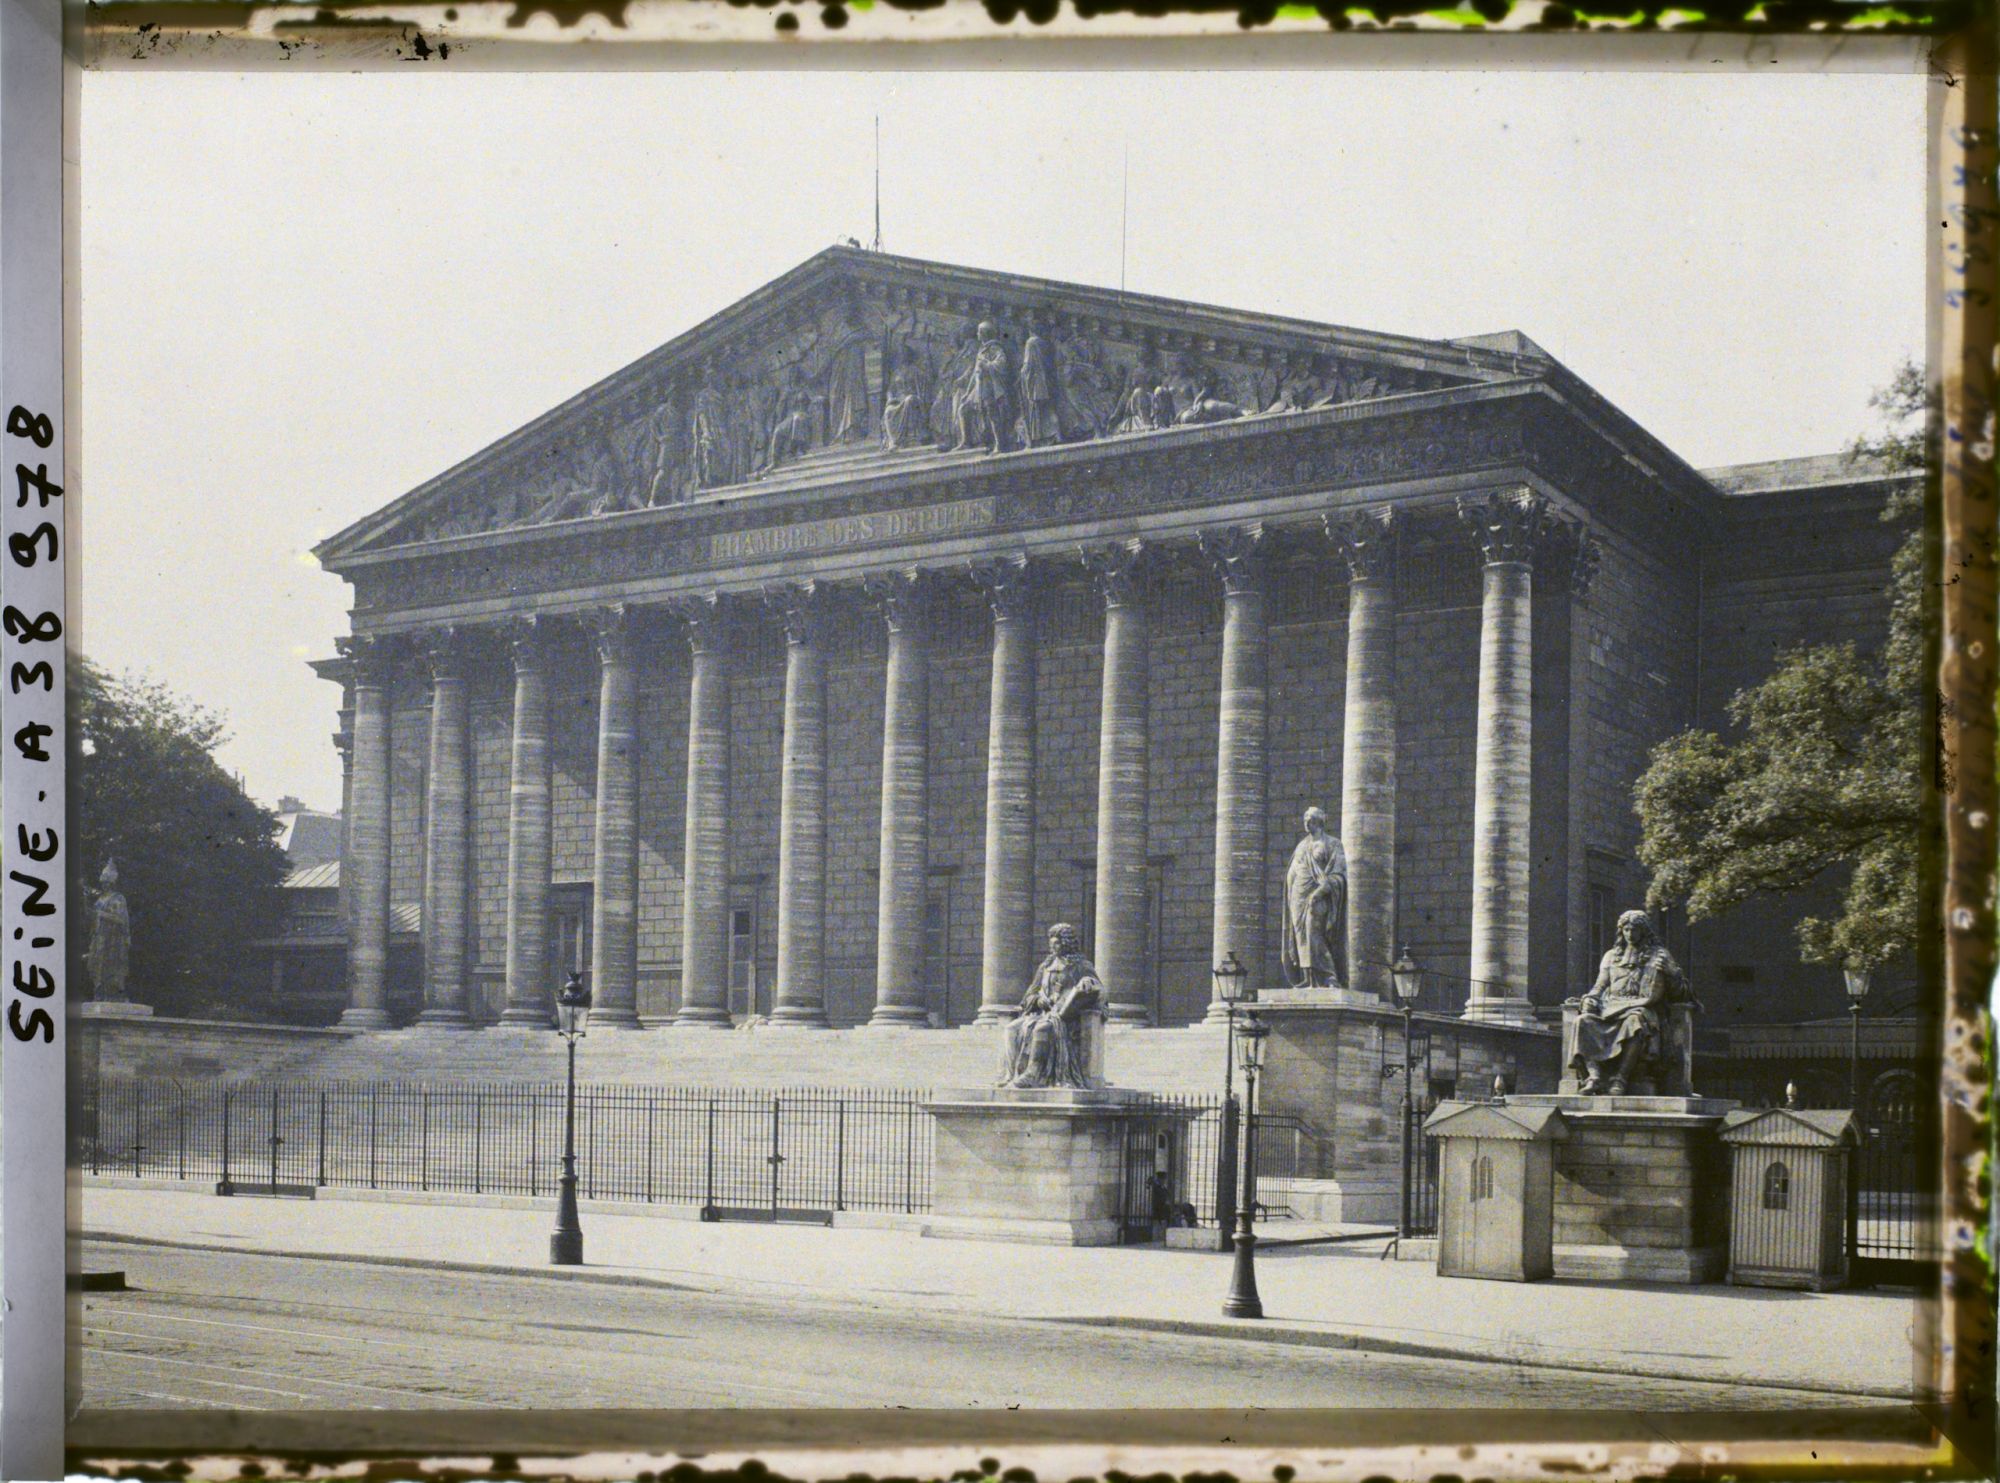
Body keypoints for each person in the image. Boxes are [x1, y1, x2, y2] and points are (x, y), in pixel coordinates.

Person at [1567, 910, 1688, 1095]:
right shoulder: (1611, 956)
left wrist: (1672, 973)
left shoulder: (1659, 955)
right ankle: (1594, 1077)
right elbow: (1600, 986)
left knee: (1635, 1022)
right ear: (1621, 931)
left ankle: (1620, 1079)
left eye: (1635, 930)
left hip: (1642, 1008)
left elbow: (1679, 993)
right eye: (1626, 929)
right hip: (1610, 1009)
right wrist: (1591, 998)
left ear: (1644, 931)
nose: (1630, 934)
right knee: (1582, 1021)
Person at [1002, 922, 1104, 1089]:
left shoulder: (1081, 966)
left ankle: (1033, 1073)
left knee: (1042, 1028)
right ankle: (1011, 1074)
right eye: (1051, 943)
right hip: (1043, 1014)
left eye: (1056, 943)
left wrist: (1089, 982)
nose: (1053, 946)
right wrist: (1037, 1000)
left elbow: (1101, 993)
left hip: (1068, 1020)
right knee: (1012, 1028)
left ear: (1066, 943)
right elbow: (1028, 996)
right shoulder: (1045, 967)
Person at [1280, 806, 1347, 990]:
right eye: (1305, 820)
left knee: (1315, 934)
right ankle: (1308, 978)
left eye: (1309, 820)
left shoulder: (1333, 844)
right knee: (1301, 936)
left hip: (1318, 895)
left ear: (1319, 821)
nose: (1306, 823)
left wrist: (1320, 892)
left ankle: (1329, 977)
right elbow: (1293, 872)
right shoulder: (1301, 845)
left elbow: (1338, 874)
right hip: (1298, 898)